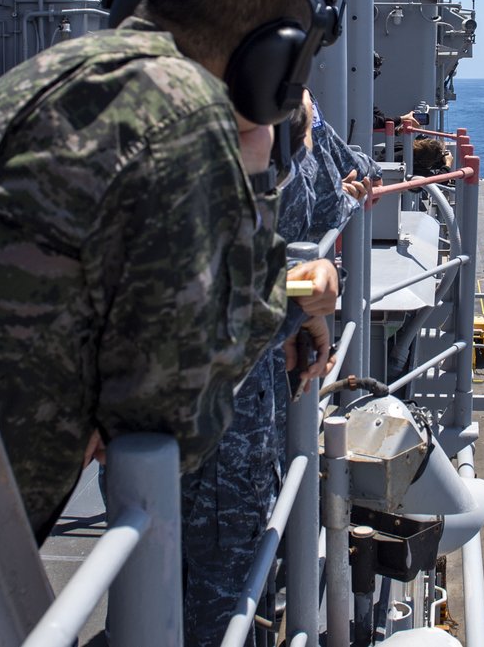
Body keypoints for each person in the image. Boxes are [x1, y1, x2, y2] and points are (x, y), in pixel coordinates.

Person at [0, 0, 337, 646]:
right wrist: (261, 170)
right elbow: (179, 416)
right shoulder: (181, 113)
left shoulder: (77, 69)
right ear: (276, 62)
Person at [181, 90, 377, 647]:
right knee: (220, 596)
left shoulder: (278, 108)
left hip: (240, 399)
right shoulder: (221, 135)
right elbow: (187, 285)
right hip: (213, 423)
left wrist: (300, 295)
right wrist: (301, 289)